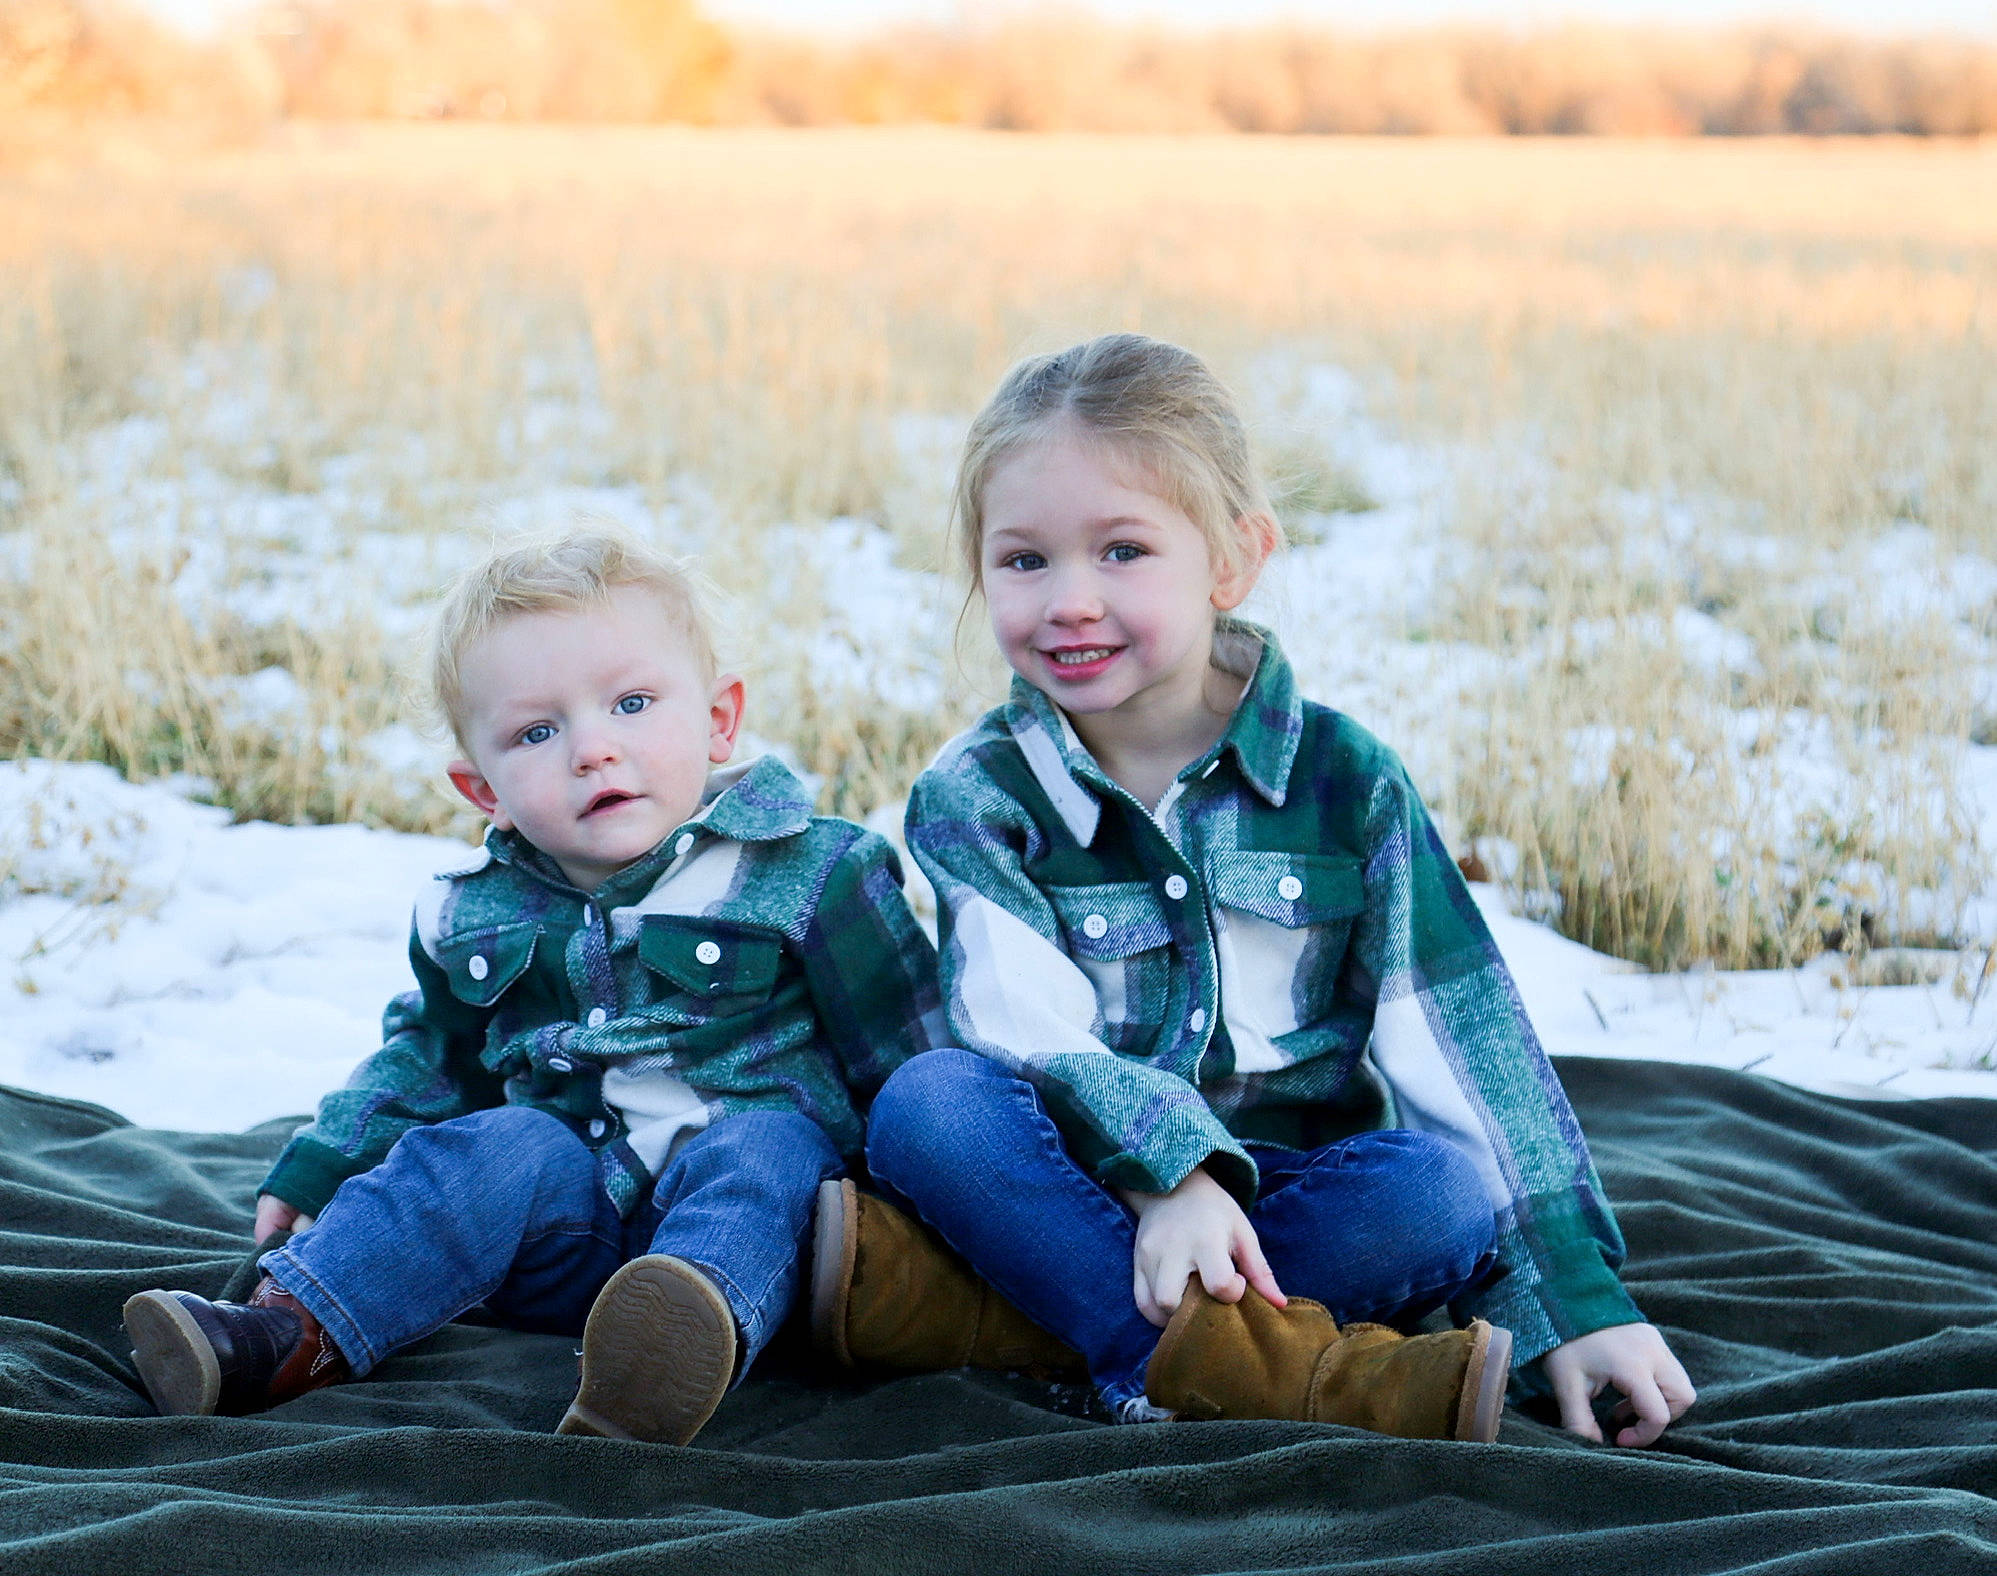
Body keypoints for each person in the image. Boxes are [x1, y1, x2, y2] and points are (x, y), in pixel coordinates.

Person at [824, 333, 1694, 1446]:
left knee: (1437, 1193)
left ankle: (1005, 1320)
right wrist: (1165, 1175)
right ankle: (1253, 1370)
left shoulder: (1344, 780)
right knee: (929, 1105)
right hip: (1069, 1185)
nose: (1070, 600)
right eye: (1024, 561)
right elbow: (1016, 1021)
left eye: (1123, 550)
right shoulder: (978, 793)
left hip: (1285, 1206)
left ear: (1232, 559)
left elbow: (1457, 1035)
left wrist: (1576, 1302)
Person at [123, 527, 940, 1446]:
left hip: (762, 1247)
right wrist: (330, 1156)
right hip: (568, 1232)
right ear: (484, 791)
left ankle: (665, 1359)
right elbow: (432, 1057)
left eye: (632, 703)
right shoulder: (471, 912)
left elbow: (903, 1052)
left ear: (718, 720)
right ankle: (287, 1336)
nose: (592, 749)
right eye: (536, 733)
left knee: (765, 1143)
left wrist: (930, 1231)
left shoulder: (810, 870)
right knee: (499, 1144)